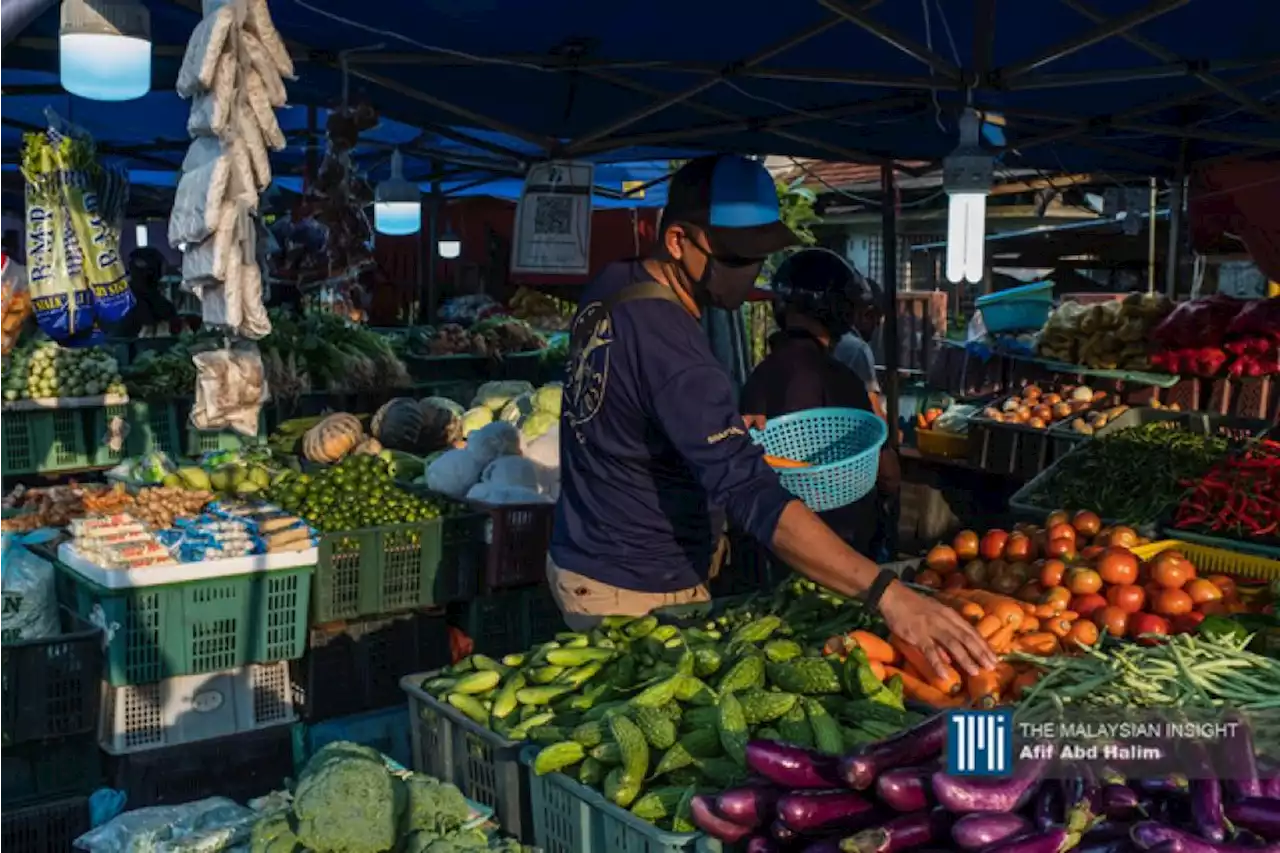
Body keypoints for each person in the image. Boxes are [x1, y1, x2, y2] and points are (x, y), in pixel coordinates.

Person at [551, 154, 993, 677]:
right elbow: (753, 497)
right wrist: (887, 594)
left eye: (761, 256)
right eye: (737, 257)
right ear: (677, 242)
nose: (749, 274)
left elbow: (633, 410)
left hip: (583, 552)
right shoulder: (680, 357)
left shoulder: (612, 286)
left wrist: (725, 434)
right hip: (633, 588)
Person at [740, 247, 898, 558]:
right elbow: (888, 474)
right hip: (838, 550)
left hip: (771, 541)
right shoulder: (841, 379)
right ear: (842, 312)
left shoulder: (759, 377)